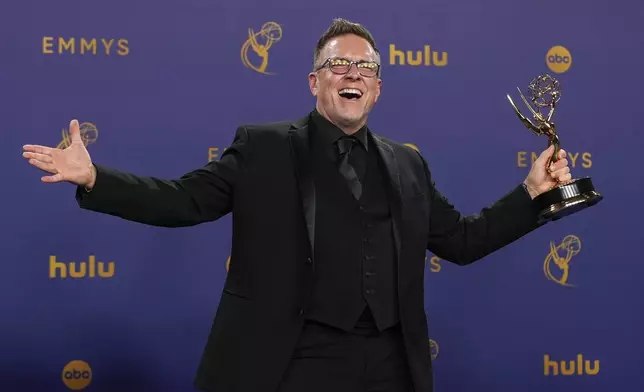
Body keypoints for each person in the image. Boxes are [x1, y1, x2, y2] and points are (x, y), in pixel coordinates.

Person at [22, 18, 571, 392]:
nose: (353, 73)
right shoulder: (262, 147)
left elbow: (463, 241)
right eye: (339, 65)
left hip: (388, 365)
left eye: (366, 68)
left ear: (378, 89)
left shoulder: (408, 165)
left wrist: (530, 196)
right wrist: (95, 177)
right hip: (292, 359)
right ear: (315, 82)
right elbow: (184, 201)